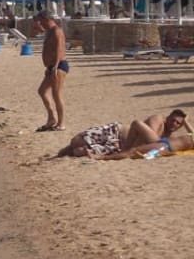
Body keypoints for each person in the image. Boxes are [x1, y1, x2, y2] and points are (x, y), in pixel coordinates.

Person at [56, 110, 192, 158]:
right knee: (77, 140)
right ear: (167, 117)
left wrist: (186, 122)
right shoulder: (158, 120)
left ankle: (58, 156)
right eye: (173, 120)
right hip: (116, 132)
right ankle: (56, 155)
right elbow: (150, 140)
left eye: (178, 123)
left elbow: (192, 136)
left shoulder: (169, 136)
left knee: (78, 151)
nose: (174, 124)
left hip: (118, 146)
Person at [33, 10, 68, 131]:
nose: (40, 23)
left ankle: (61, 123)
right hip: (51, 66)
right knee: (42, 91)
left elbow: (59, 49)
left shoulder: (57, 31)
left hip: (58, 66)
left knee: (56, 94)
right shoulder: (49, 31)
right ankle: (51, 117)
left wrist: (54, 66)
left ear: (47, 19)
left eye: (41, 20)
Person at [93, 131, 194, 160]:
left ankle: (102, 157)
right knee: (135, 151)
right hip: (166, 144)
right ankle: (148, 156)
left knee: (132, 151)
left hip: (167, 146)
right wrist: (186, 121)